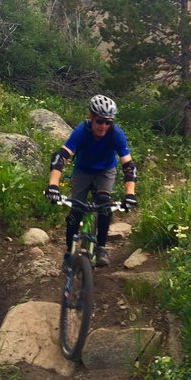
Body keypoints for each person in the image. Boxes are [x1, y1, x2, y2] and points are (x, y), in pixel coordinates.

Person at [44, 94, 137, 269]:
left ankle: (101, 247)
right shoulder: (81, 131)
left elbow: (129, 166)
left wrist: (130, 194)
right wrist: (53, 185)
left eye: (108, 122)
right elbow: (60, 157)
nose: (104, 126)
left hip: (105, 171)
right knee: (76, 211)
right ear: (91, 118)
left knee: (104, 204)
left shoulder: (116, 134)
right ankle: (69, 253)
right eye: (100, 121)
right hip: (83, 170)